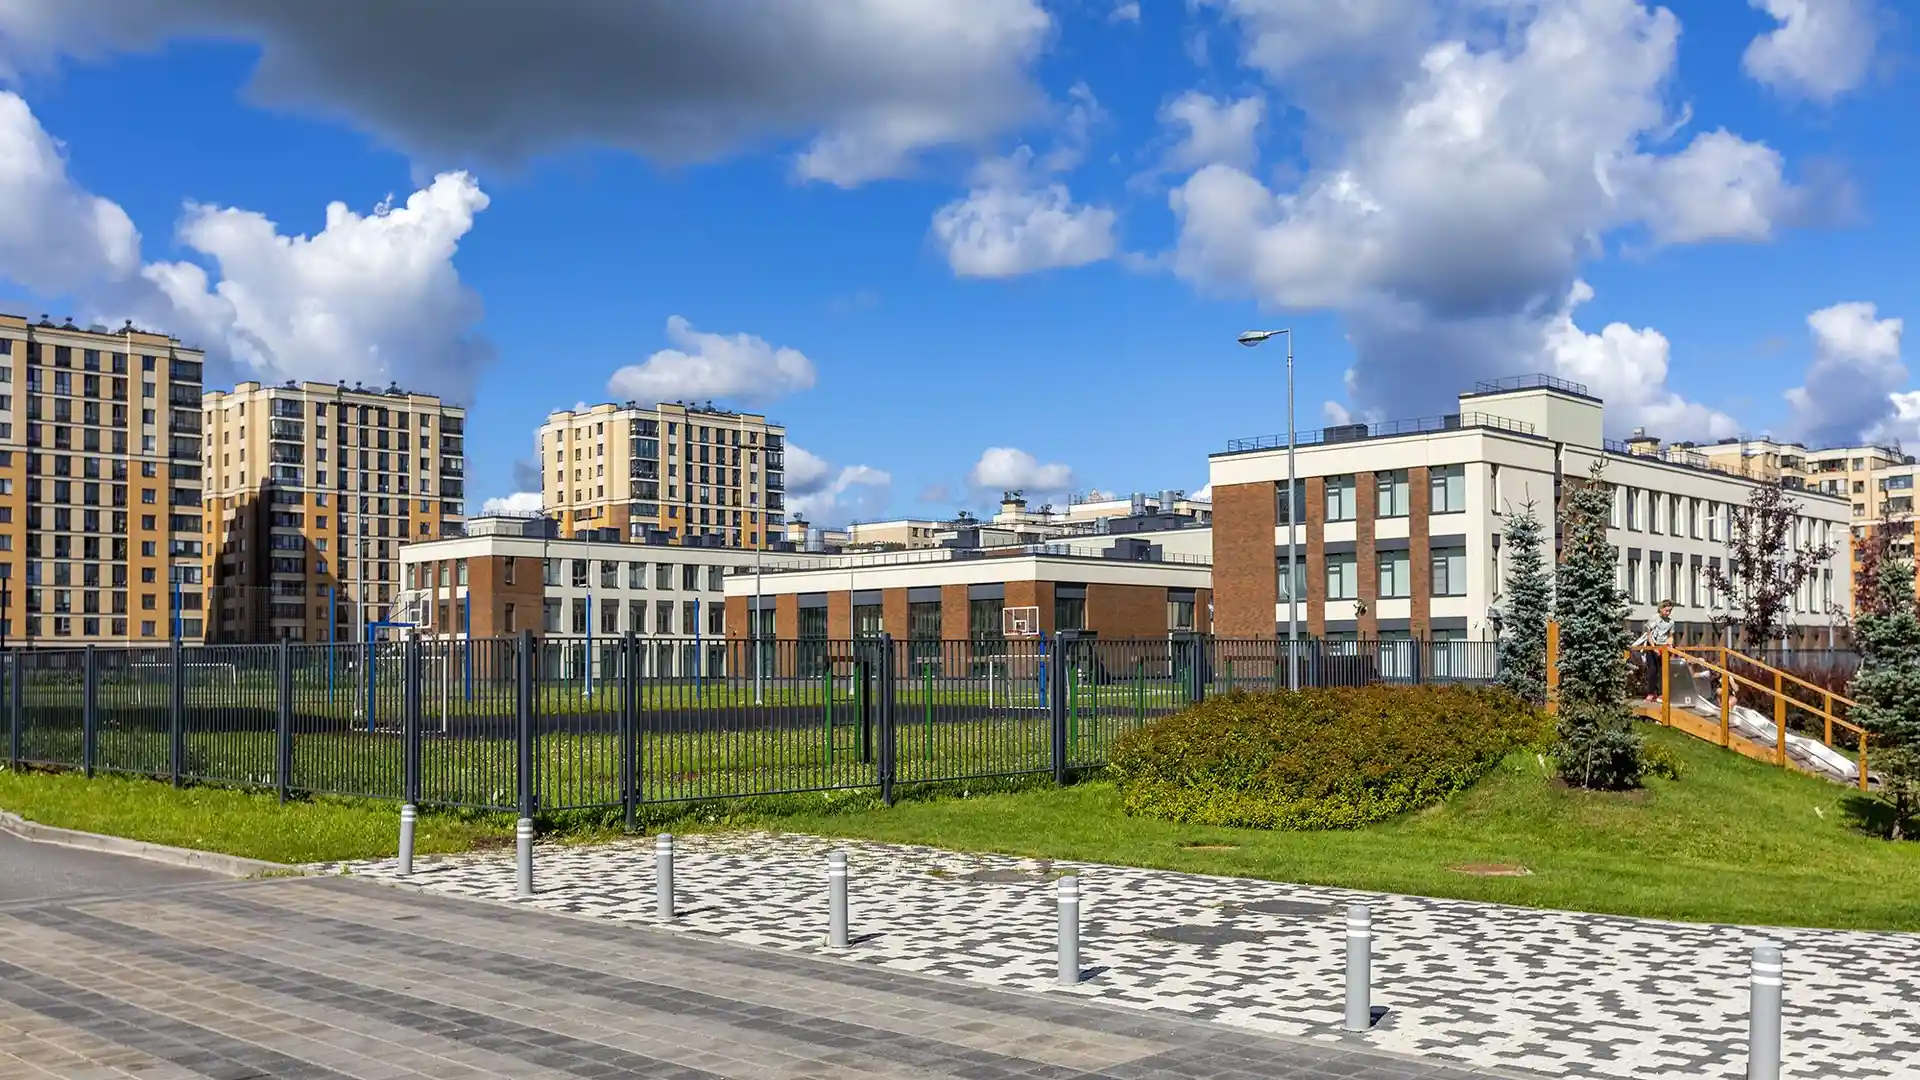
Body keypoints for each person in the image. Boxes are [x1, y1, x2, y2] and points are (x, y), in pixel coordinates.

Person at [1632, 600, 1677, 701]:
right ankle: (1651, 693)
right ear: (1661, 609)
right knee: (1652, 670)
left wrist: (1670, 645)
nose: (1668, 613)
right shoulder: (1654, 619)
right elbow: (1649, 635)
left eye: (1670, 611)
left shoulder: (1671, 622)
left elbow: (1670, 636)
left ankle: (1662, 693)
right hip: (1652, 645)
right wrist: (1654, 647)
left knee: (1663, 670)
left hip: (1664, 647)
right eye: (1666, 611)